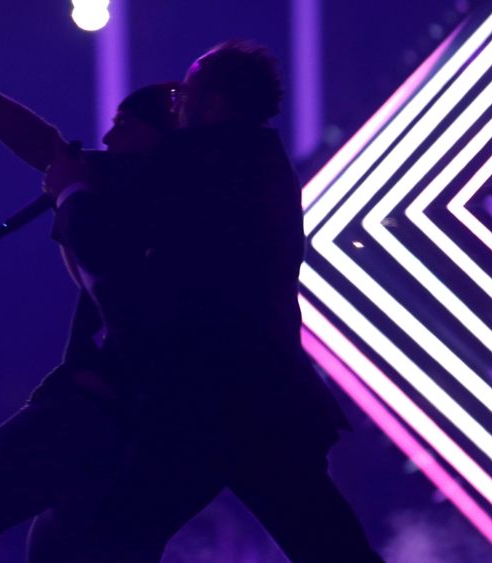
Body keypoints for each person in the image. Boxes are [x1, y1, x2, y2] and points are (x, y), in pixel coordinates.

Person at [37, 41, 385, 562]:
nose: (176, 105)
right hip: (262, 397)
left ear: (215, 104)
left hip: (209, 400)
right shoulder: (258, 160)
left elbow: (104, 240)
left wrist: (69, 194)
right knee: (326, 543)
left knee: (107, 539)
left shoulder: (194, 160)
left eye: (186, 94)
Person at [0, 22, 184, 563]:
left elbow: (104, 263)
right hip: (141, 420)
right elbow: (47, 148)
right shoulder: (186, 191)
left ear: (160, 137)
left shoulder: (159, 197)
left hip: (101, 409)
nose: (107, 141)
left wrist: (72, 194)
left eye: (124, 127)